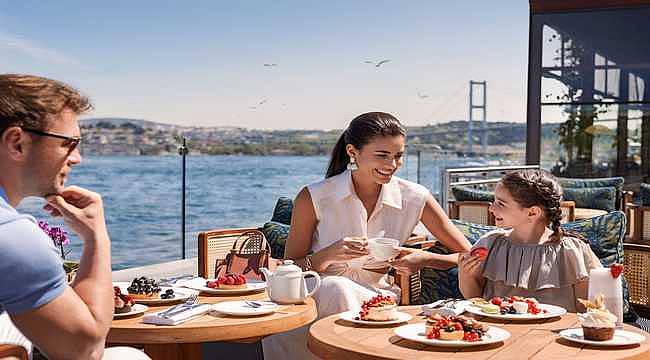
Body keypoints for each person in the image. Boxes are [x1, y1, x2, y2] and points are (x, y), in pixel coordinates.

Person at [263, 111, 471, 359]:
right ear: (353, 152)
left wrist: (424, 259)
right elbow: (292, 267)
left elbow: (471, 255)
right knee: (336, 288)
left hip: (377, 299)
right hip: (317, 292)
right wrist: (328, 255)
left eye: (398, 156)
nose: (392, 165)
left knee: (339, 291)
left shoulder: (415, 197)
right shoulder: (314, 196)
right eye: (382, 155)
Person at [0, 74, 150, 359]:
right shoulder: (10, 235)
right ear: (16, 143)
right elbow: (85, 351)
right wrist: (96, 237)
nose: (77, 158)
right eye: (69, 143)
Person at [458, 169, 602, 312]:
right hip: (500, 330)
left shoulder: (572, 251)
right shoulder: (490, 244)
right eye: (494, 201)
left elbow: (589, 308)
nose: (491, 208)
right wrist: (466, 276)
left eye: (501, 204)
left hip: (555, 332)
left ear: (532, 212)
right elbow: (475, 300)